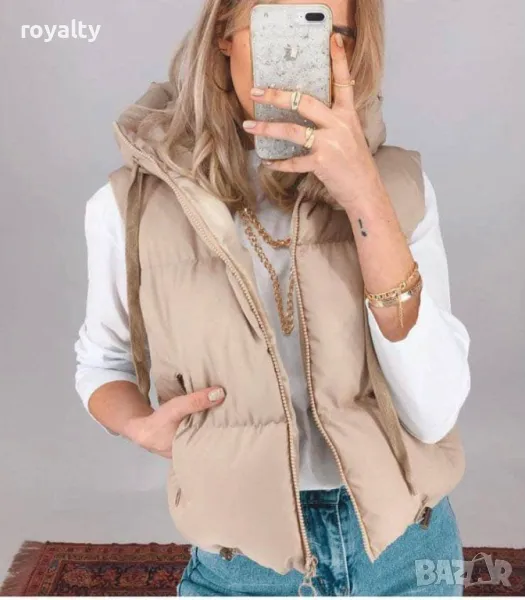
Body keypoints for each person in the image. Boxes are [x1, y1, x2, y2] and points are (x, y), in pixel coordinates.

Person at [74, 0, 471, 596]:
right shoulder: (129, 206)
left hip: (406, 546)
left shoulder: (399, 188)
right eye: (274, 24)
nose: (296, 53)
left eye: (330, 33)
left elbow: (434, 412)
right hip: (241, 561)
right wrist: (139, 426)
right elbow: (100, 363)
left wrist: (365, 196)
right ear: (224, 36)